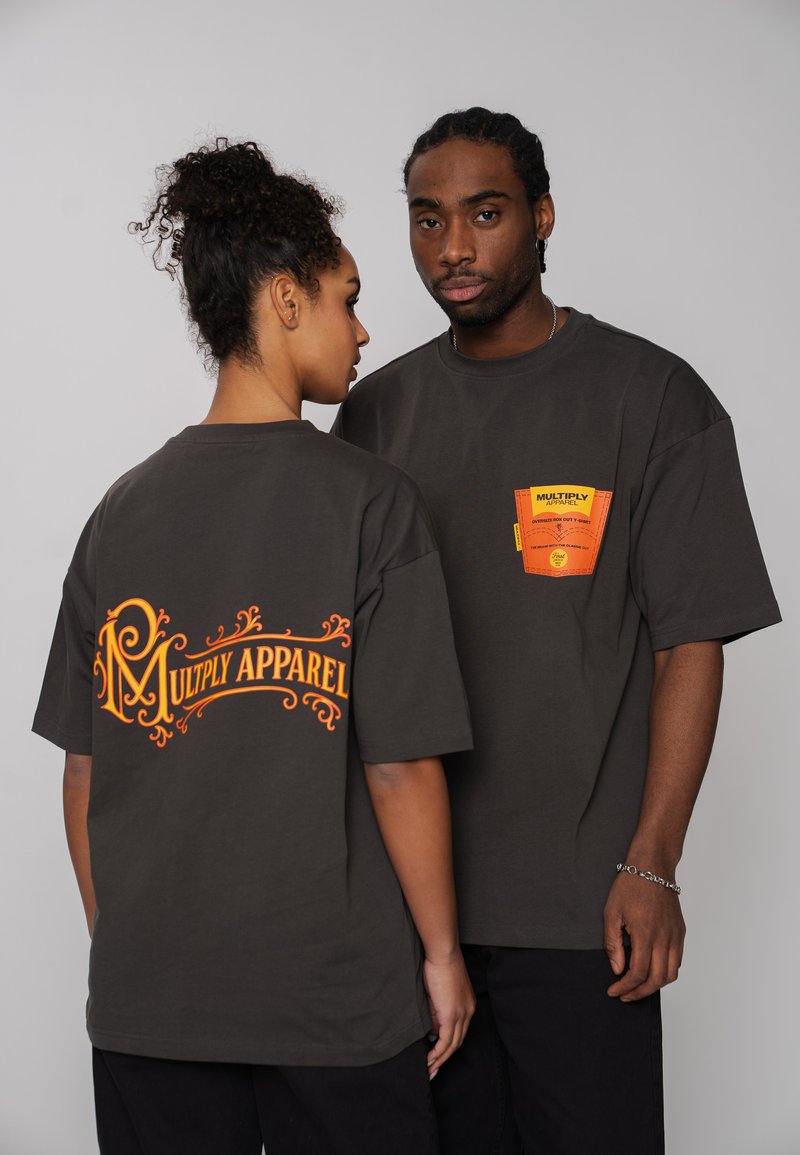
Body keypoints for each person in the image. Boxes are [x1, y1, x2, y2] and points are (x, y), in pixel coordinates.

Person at [333, 107, 781, 1155]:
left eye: (484, 214)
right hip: (411, 924)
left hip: (583, 914)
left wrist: (652, 863)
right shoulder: (375, 415)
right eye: (427, 219)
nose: (452, 246)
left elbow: (690, 642)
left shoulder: (653, 398)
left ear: (540, 218)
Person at [32, 138, 475, 1155]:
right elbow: (400, 766)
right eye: (346, 300)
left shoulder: (120, 513)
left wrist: (127, 947)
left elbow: (84, 768)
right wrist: (443, 955)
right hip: (334, 1006)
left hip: (151, 1006)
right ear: (284, 299)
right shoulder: (373, 504)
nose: (362, 332)